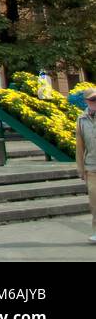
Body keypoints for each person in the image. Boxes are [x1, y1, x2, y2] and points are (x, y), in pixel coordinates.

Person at [75, 88, 96, 243]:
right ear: (86, 101)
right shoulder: (81, 119)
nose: (95, 102)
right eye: (92, 100)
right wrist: (81, 169)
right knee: (94, 202)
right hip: (92, 167)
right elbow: (80, 146)